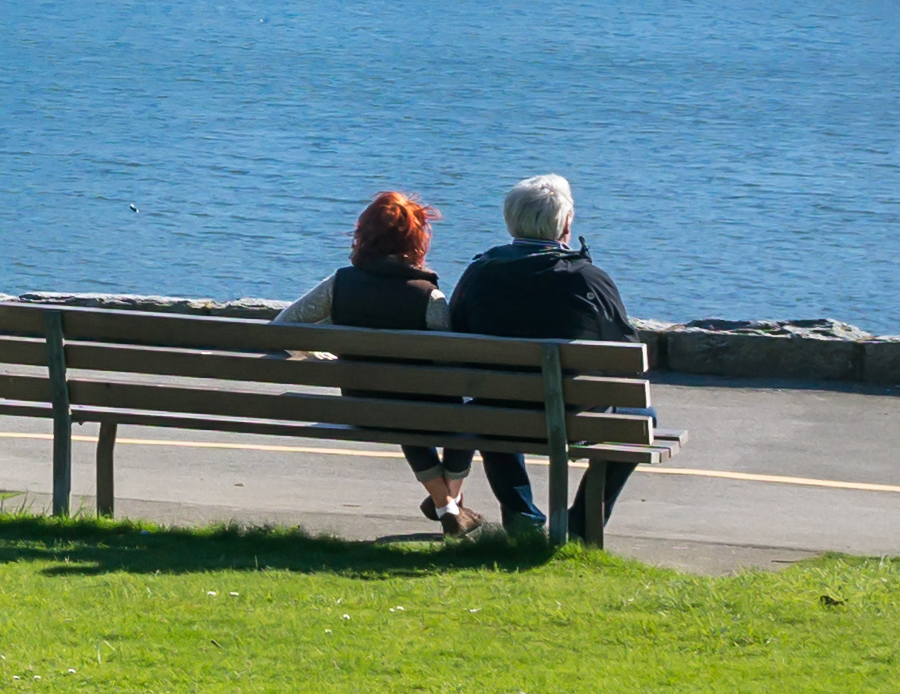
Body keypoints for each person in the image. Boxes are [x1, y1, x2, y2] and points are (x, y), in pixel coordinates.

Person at [442, 171, 639, 545]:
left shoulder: (480, 274)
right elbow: (626, 354)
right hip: (572, 413)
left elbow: (457, 337)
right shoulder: (588, 279)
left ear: (510, 220)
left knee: (493, 403)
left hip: (499, 410)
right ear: (565, 224)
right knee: (639, 419)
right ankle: (580, 526)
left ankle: (522, 516)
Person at [272, 190, 476, 536]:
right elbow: (451, 363)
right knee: (464, 411)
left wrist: (319, 354)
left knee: (400, 409)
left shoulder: (340, 284)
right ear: (417, 240)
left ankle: (446, 505)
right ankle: (449, 504)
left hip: (362, 406)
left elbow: (281, 329)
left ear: (363, 236)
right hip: (425, 411)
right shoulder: (429, 296)